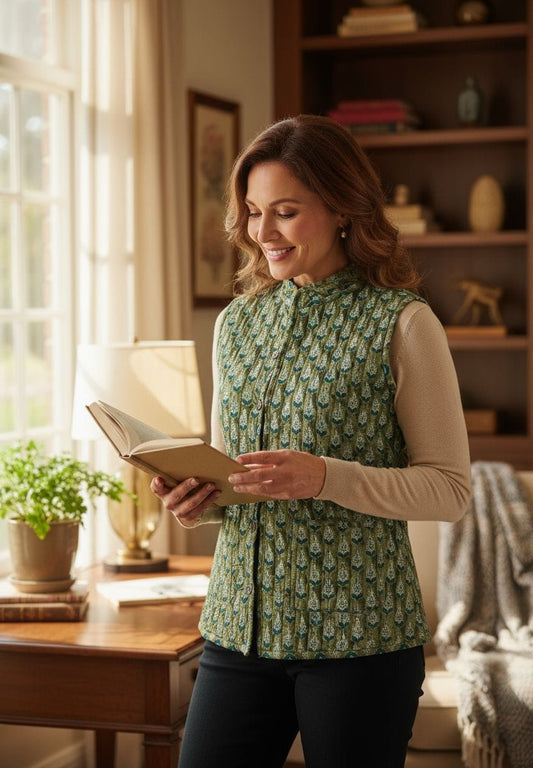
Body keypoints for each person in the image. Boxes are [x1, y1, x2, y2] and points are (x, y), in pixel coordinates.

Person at [151, 114, 471, 768]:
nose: (261, 232)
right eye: (252, 211)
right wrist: (198, 497)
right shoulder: (235, 324)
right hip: (236, 632)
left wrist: (327, 476)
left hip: (360, 641)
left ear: (343, 210)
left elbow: (449, 490)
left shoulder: (402, 323)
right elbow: (236, 480)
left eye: (286, 212)